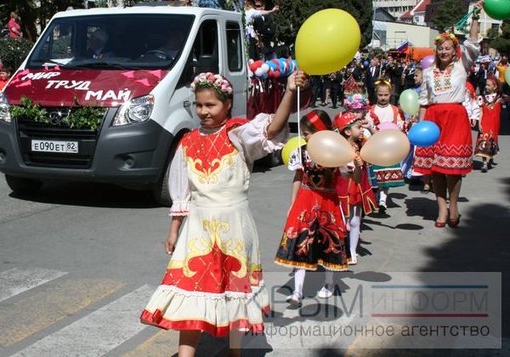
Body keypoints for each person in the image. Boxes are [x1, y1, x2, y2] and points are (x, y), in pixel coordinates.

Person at [140, 70, 308, 356]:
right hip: (198, 229)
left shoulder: (238, 133)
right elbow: (182, 191)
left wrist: (290, 91)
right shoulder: (188, 142)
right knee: (190, 291)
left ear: (227, 104)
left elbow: (271, 129)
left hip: (235, 227)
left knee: (234, 291)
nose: (203, 111)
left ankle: (234, 351)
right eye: (199, 105)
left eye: (210, 105)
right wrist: (173, 230)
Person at [413, 1, 483, 228]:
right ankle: (441, 209)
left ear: (454, 50)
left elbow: (473, 42)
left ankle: (453, 206)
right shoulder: (428, 72)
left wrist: (475, 16)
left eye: (447, 48)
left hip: (455, 118)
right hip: (433, 120)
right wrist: (420, 128)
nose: (444, 51)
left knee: (452, 169)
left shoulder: (463, 64)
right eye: (440, 48)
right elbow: (424, 101)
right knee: (435, 169)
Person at [274, 110, 349, 306]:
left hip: (328, 200)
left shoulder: (337, 151)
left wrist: (353, 165)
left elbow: (348, 177)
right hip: (306, 200)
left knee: (329, 240)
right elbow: (298, 177)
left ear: (321, 131)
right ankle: (297, 291)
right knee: (301, 241)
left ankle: (330, 283)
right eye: (303, 133)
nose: (304, 137)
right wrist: (292, 203)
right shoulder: (302, 151)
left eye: (307, 133)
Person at [334, 111, 376, 265]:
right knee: (342, 220)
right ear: (347, 131)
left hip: (358, 186)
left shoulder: (363, 143)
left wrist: (371, 128)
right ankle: (339, 249)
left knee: (355, 220)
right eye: (358, 127)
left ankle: (352, 251)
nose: (362, 130)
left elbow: (377, 143)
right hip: (342, 187)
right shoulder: (338, 147)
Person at [367, 80, 406, 210]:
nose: (383, 98)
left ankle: (383, 199)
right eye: (380, 95)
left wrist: (405, 125)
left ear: (390, 95)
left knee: (386, 174)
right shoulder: (371, 110)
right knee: (375, 173)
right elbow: (368, 126)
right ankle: (375, 196)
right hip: (375, 145)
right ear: (376, 94)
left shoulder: (395, 110)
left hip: (389, 146)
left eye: (386, 95)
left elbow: (399, 125)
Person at [476, 77, 505, 172]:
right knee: (483, 140)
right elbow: (481, 111)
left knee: (491, 140)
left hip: (494, 124)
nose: (486, 86)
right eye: (486, 84)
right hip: (485, 123)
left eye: (489, 85)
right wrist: (479, 123)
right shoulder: (482, 98)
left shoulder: (499, 99)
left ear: (495, 87)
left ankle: (490, 157)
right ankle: (484, 163)